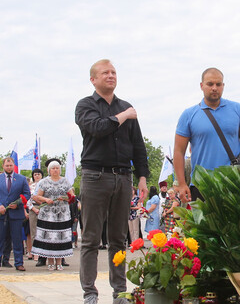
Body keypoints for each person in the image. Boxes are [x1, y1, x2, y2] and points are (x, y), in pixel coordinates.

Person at [75, 59, 149, 304]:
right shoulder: (86, 105)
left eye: (114, 72)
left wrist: (142, 176)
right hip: (95, 175)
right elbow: (96, 128)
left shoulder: (126, 106)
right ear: (93, 79)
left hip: (123, 177)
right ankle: (90, 293)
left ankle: (120, 292)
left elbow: (138, 145)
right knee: (91, 238)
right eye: (105, 72)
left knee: (119, 238)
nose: (111, 75)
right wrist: (123, 116)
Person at [173, 68, 240, 202]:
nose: (214, 88)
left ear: (223, 86)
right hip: (201, 186)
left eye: (218, 84)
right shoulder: (188, 115)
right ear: (202, 86)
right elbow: (178, 151)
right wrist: (182, 184)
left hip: (233, 183)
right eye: (210, 84)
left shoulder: (237, 109)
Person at [31, 158, 75, 271]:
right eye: (53, 168)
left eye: (57, 168)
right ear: (49, 170)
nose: (55, 170)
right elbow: (36, 196)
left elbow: (72, 197)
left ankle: (59, 261)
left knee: (60, 238)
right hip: (48, 214)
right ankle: (50, 261)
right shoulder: (44, 182)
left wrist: (65, 198)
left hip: (62, 214)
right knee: (49, 237)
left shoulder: (65, 181)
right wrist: (46, 199)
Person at [0, 157, 31, 272]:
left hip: (16, 215)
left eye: (11, 165)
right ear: (3, 166)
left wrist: (18, 204)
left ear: (14, 166)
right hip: (0, 214)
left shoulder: (21, 179)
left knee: (17, 240)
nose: (9, 167)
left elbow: (27, 194)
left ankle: (19, 263)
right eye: (7, 166)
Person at [28, 168, 44, 265]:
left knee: (43, 232)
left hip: (43, 207)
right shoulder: (30, 186)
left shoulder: (45, 184)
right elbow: (27, 199)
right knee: (34, 232)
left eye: (38, 174)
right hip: (33, 209)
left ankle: (44, 254)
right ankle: (36, 253)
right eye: (35, 174)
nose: (37, 176)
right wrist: (33, 209)